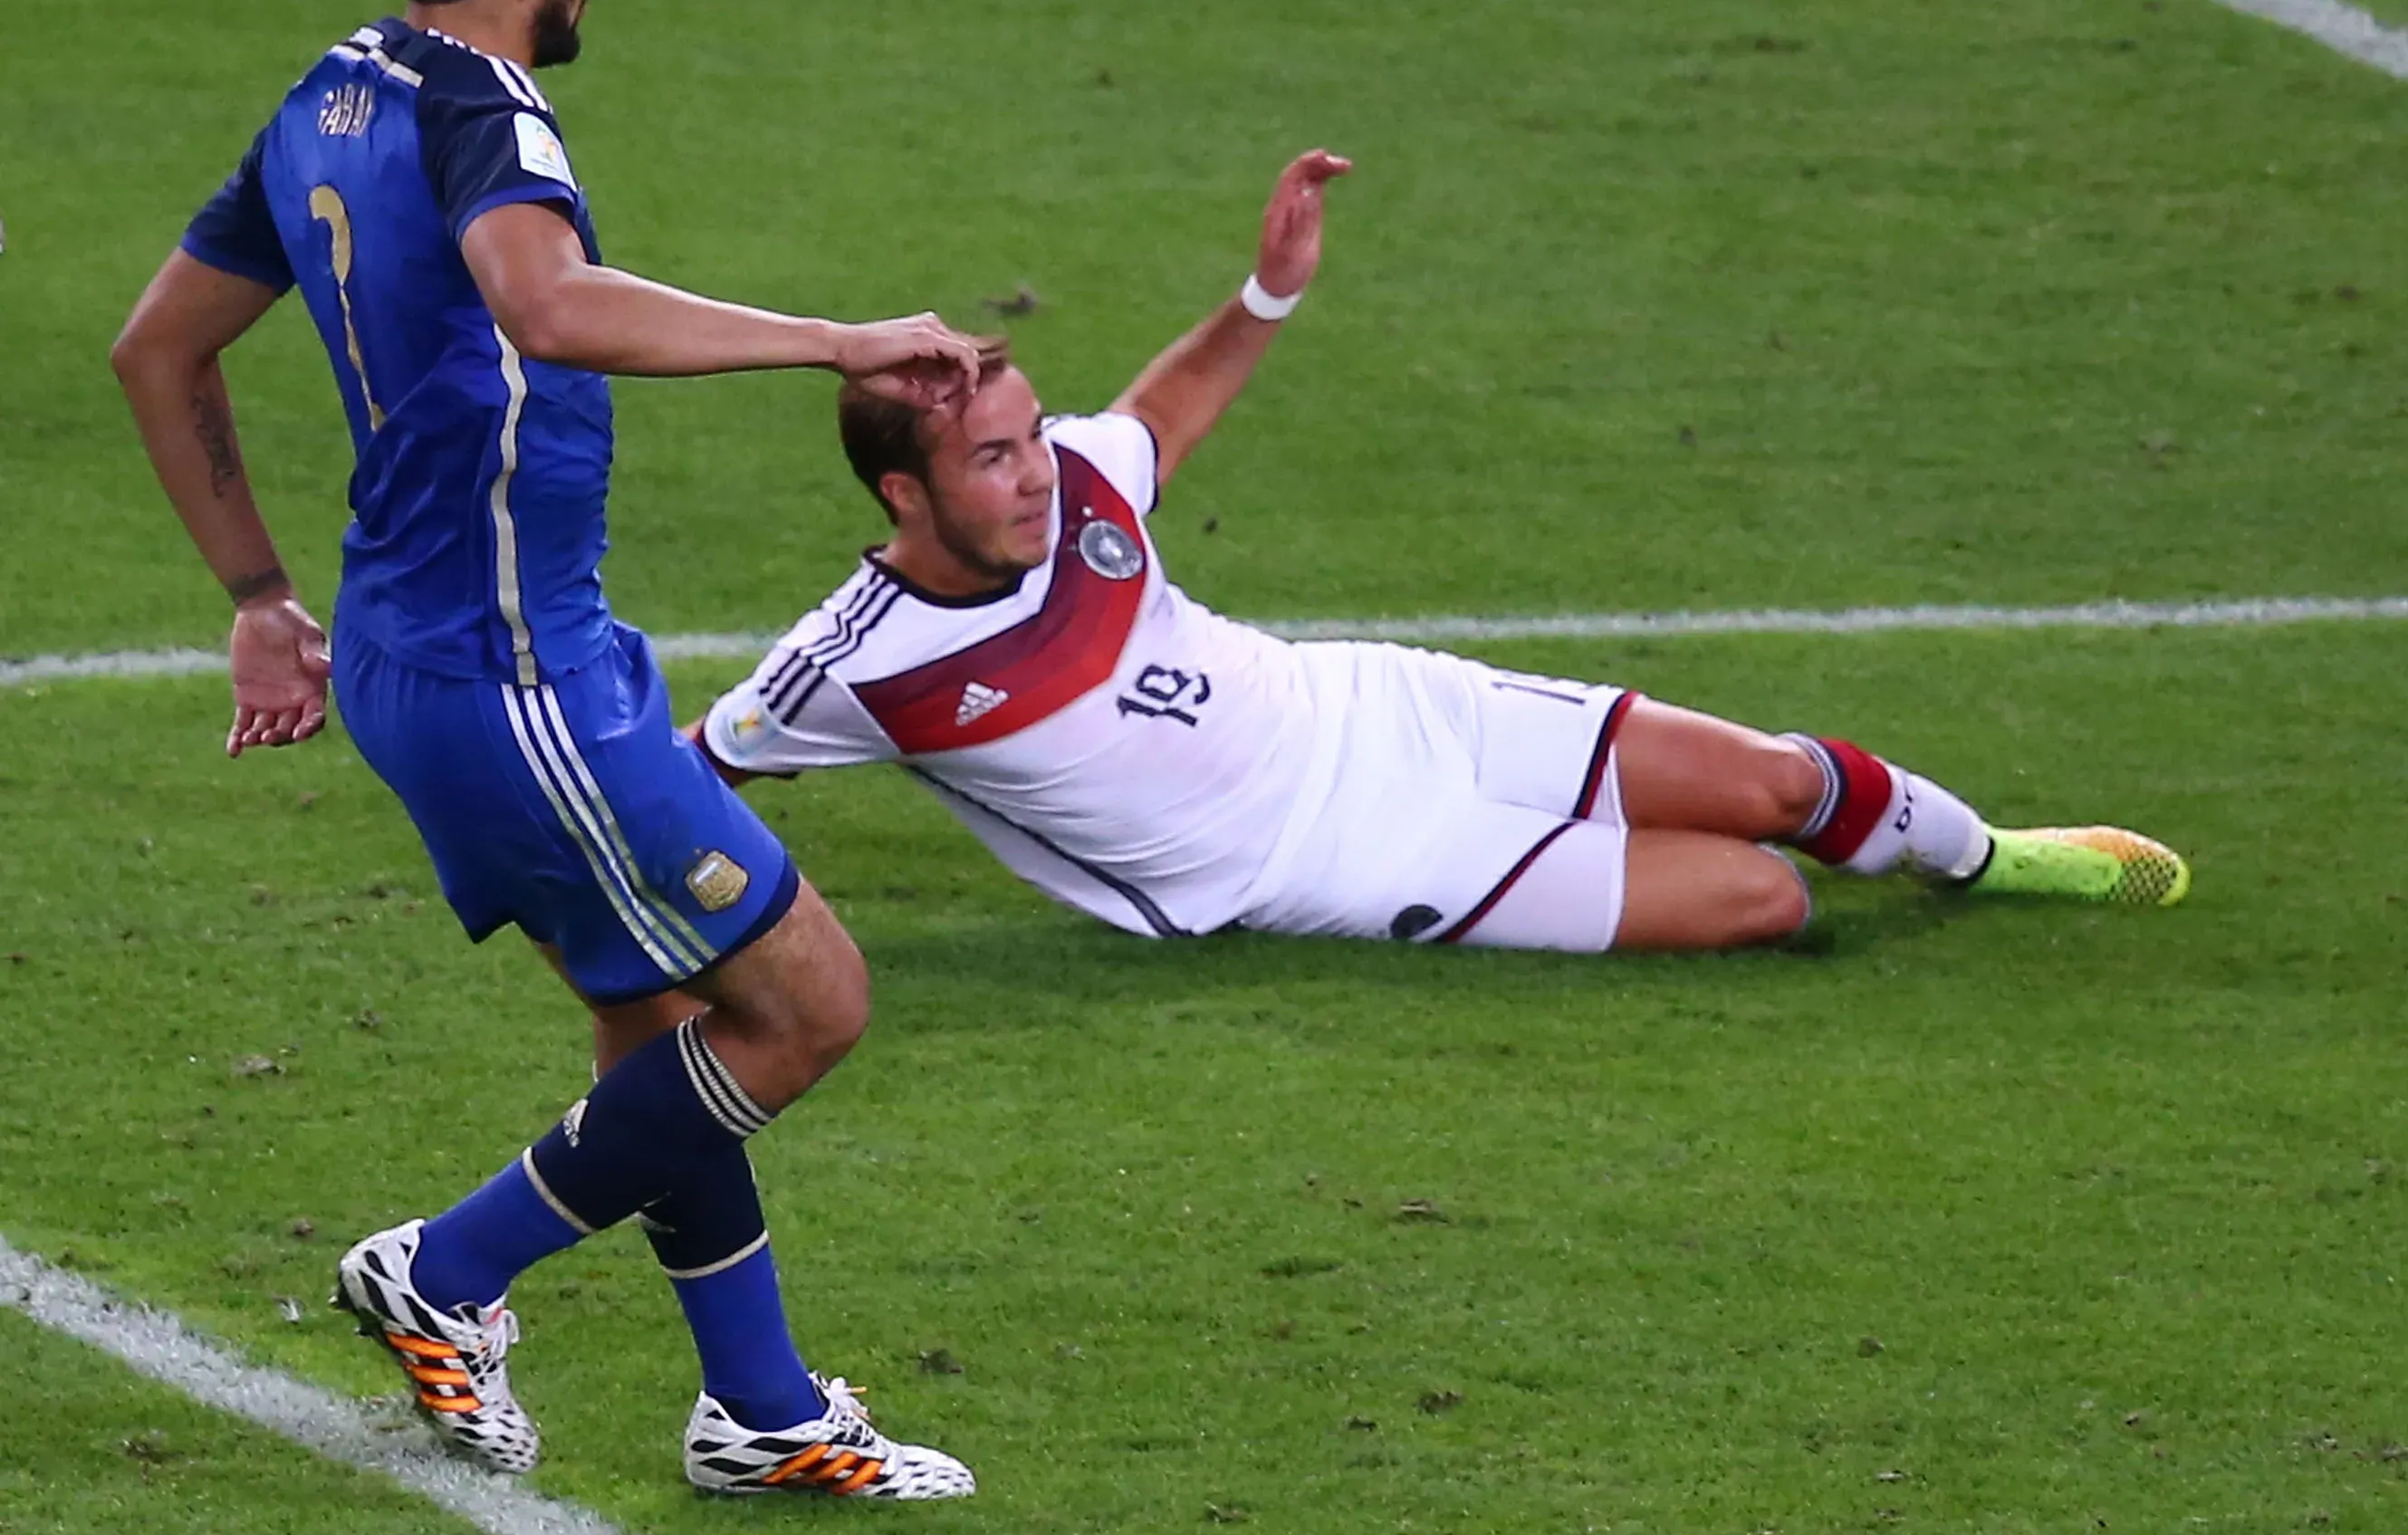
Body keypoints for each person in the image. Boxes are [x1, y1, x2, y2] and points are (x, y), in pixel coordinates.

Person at [110, 0, 991, 1494]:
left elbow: (162, 350)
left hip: (444, 644)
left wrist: (253, 604)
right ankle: (444, 1270)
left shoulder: (330, 89)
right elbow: (546, 302)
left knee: (669, 1033)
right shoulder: (489, 115)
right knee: (807, 1005)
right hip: (512, 685)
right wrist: (835, 339)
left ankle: (764, 1411)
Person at [690, 150, 2192, 951]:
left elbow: (1165, 408)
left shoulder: (1081, 482)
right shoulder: (856, 668)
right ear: (903, 497)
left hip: (1377, 707)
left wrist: (1267, 293)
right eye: (993, 461)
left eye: (1030, 439)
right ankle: (1810, 867)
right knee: (1765, 899)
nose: (1038, 479)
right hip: (1339, 861)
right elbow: (691, 767)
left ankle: (1999, 862)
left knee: (1781, 785)